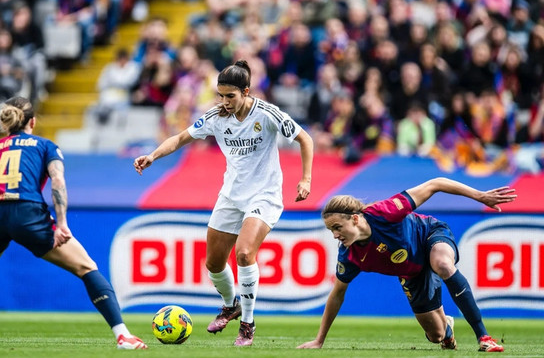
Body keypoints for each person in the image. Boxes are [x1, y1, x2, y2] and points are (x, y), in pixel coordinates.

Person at [0, 97, 147, 350]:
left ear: (7, 125)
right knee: (87, 267)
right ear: (33, 122)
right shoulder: (45, 145)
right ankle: (123, 336)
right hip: (27, 212)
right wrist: (61, 223)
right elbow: (58, 181)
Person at [134, 60, 314, 346]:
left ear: (246, 91)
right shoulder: (216, 117)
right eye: (221, 95)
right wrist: (153, 156)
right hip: (231, 195)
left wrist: (305, 179)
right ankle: (231, 305)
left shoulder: (267, 113)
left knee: (244, 254)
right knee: (214, 263)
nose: (225, 101)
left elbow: (305, 139)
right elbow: (181, 138)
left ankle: (247, 324)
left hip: (264, 195)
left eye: (231, 96)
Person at [297, 177, 516, 353]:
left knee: (442, 264)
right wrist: (319, 340)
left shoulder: (386, 211)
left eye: (337, 227)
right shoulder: (349, 255)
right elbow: (337, 294)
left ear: (354, 219)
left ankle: (483, 337)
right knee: (436, 336)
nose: (335, 235)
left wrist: (480, 196)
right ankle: (447, 328)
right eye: (331, 230)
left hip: (430, 235)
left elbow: (435, 183)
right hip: (412, 273)